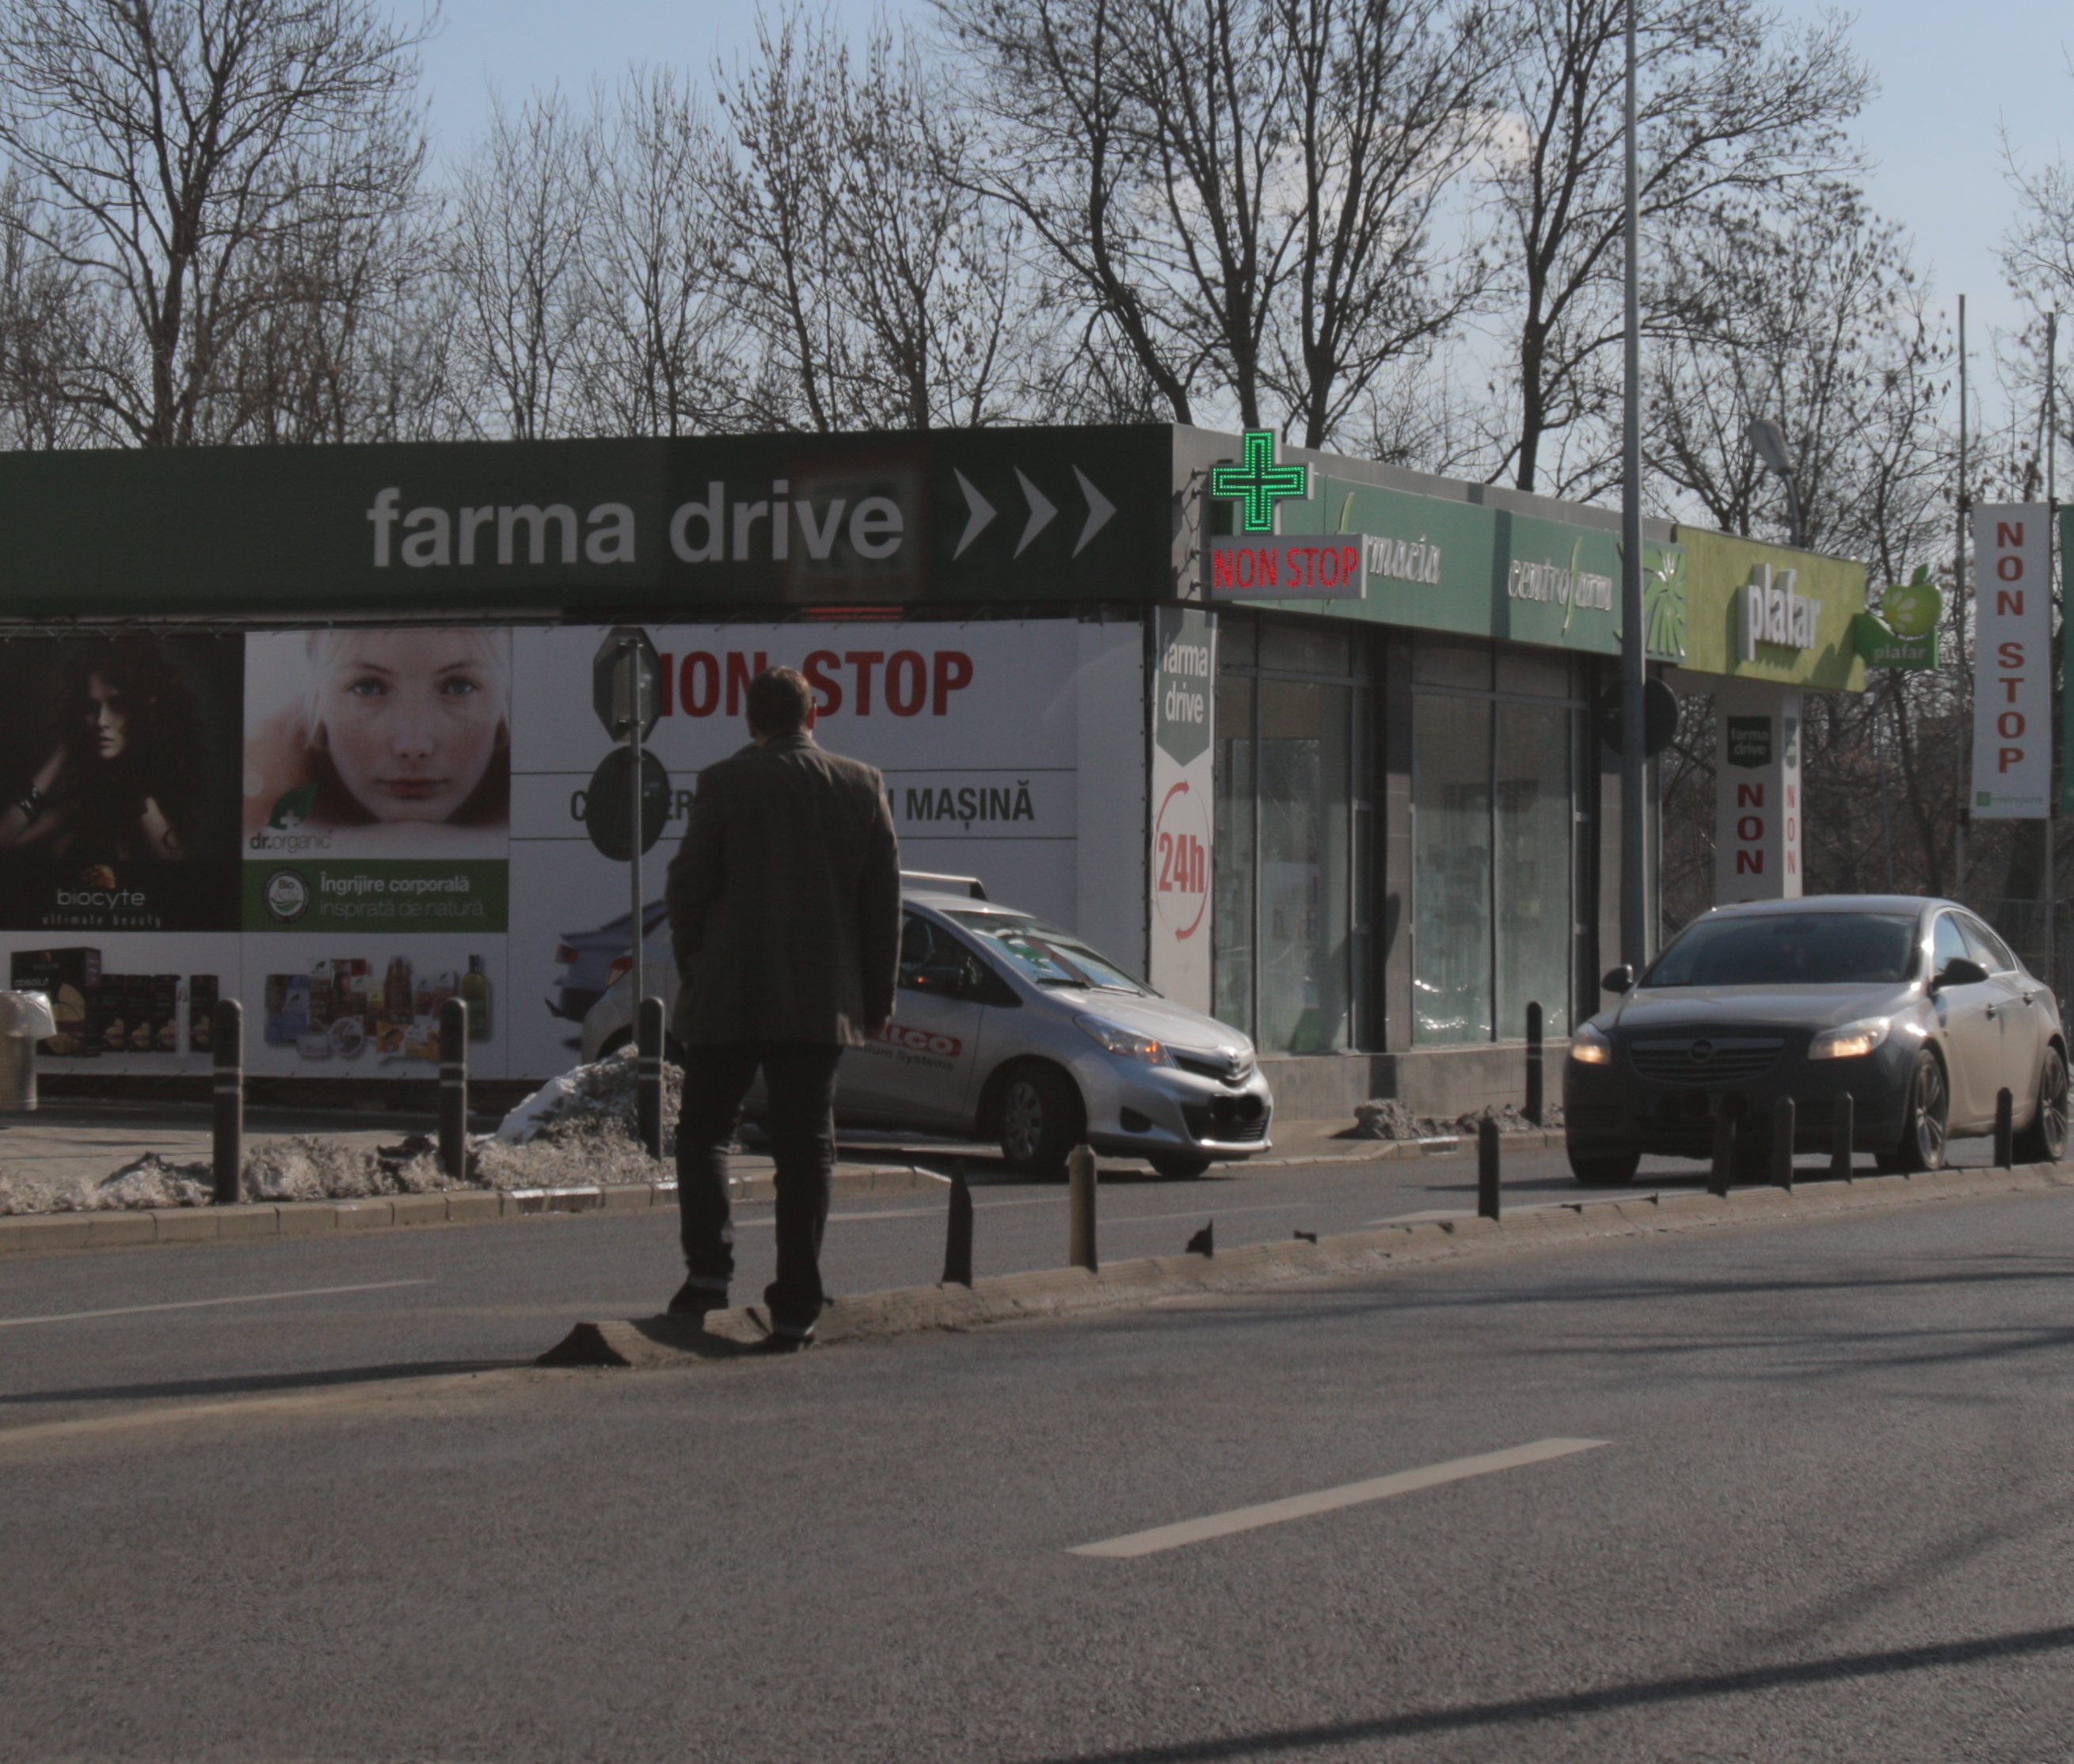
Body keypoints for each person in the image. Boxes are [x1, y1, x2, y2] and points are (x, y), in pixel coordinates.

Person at [664, 666, 900, 1348]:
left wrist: (695, 964)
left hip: (728, 992)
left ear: (750, 721)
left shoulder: (724, 782)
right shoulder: (861, 784)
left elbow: (686, 887)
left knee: (705, 1133)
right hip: (818, 1001)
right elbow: (881, 904)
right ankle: (797, 1304)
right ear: (813, 716)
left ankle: (707, 1274)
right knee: (807, 1149)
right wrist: (874, 1000)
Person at [242, 629, 510, 837]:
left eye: (459, 686)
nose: (413, 746)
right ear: (319, 705)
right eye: (368, 687)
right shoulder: (270, 766)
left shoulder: (530, 762)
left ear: (503, 702)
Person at [0, 641, 206, 867]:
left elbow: (180, 878)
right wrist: (66, 748)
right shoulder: (95, 795)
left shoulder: (149, 799)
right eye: (91, 707)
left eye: (117, 704)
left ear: (145, 712)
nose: (101, 721)